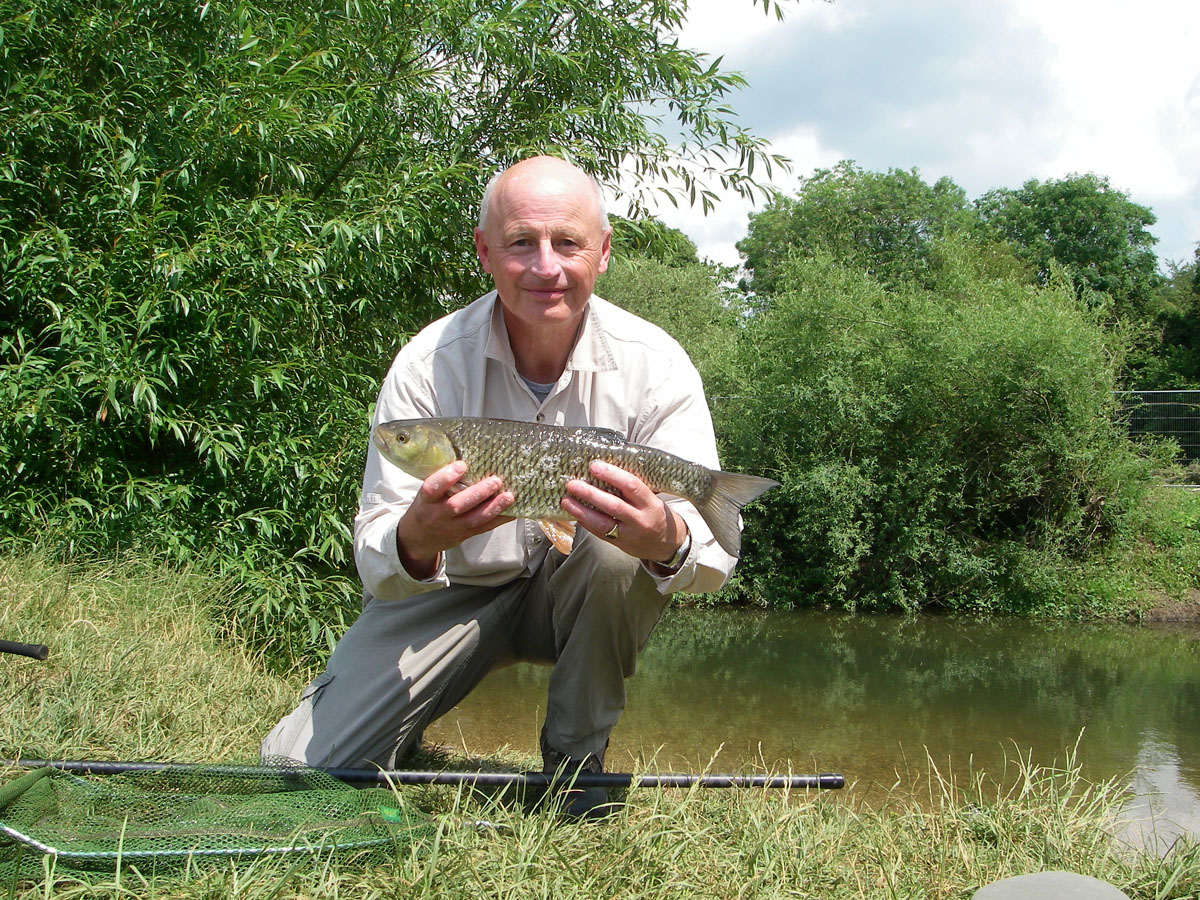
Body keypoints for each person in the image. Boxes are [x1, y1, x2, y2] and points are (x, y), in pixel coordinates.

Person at [261, 155, 739, 818]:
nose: (546, 266)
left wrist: (665, 537)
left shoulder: (656, 365)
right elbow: (376, 556)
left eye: (567, 242)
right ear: (485, 252)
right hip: (452, 594)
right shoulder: (427, 363)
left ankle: (575, 767)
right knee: (297, 769)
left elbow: (711, 562)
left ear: (602, 252)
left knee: (612, 552)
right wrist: (417, 540)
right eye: (520, 243)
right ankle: (399, 723)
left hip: (582, 596)